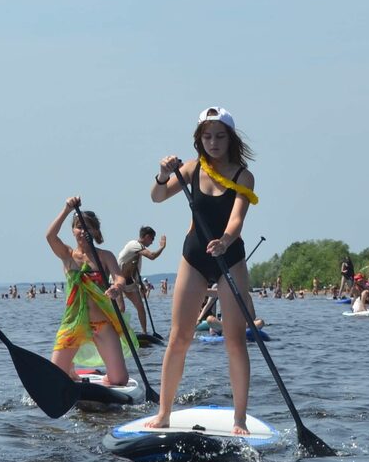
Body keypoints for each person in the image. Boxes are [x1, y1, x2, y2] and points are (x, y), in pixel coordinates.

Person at [145, 106, 258, 434]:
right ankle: (164, 413)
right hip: (194, 256)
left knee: (234, 340)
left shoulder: (242, 175)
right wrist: (163, 174)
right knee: (179, 336)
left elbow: (236, 219)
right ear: (199, 140)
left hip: (229, 257)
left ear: (230, 138)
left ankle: (239, 419)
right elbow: (157, 197)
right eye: (207, 137)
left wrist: (224, 240)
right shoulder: (192, 169)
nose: (213, 142)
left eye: (220, 136)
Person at [45, 198, 130, 386]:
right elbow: (50, 236)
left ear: (96, 231)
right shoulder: (67, 255)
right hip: (74, 323)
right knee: (54, 378)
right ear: (73, 231)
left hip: (101, 323)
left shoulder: (104, 256)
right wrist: (67, 209)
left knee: (120, 380)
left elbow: (119, 277)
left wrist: (117, 287)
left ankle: (102, 379)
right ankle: (69, 369)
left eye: (89, 228)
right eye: (79, 227)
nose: (83, 231)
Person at [116, 226, 168, 336]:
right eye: (152, 239)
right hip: (117, 280)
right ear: (147, 236)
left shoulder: (139, 252)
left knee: (140, 306)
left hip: (129, 282)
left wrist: (140, 285)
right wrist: (162, 247)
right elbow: (152, 256)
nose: (152, 241)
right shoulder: (134, 245)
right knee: (121, 308)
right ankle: (118, 333)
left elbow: (134, 270)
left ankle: (144, 333)